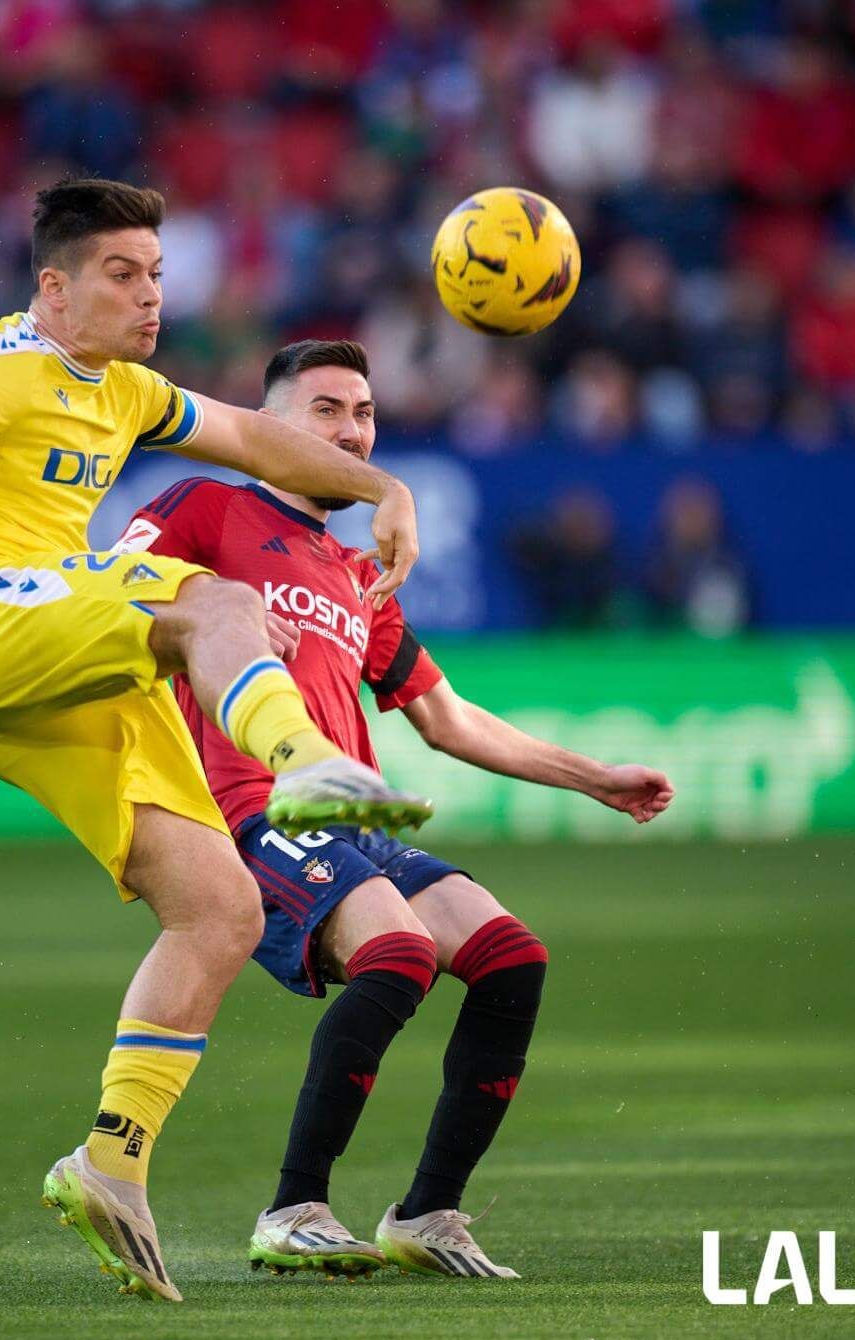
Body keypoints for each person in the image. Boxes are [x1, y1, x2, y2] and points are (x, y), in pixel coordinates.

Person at [0, 178, 433, 1303]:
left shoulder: (125, 389)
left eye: (157, 275)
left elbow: (258, 437)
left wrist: (379, 484)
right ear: (53, 288)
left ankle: (108, 1164)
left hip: (64, 665)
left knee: (220, 908)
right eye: (122, 275)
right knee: (214, 601)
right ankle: (305, 761)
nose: (148, 296)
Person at [115, 339, 674, 1279]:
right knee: (401, 952)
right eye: (327, 409)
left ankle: (427, 1214)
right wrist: (204, 609)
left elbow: (448, 719)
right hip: (254, 808)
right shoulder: (206, 506)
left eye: (365, 412)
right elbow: (109, 586)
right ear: (274, 427)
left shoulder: (355, 573)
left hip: (357, 824)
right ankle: (294, 1206)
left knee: (512, 959)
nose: (353, 430)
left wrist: (593, 776)